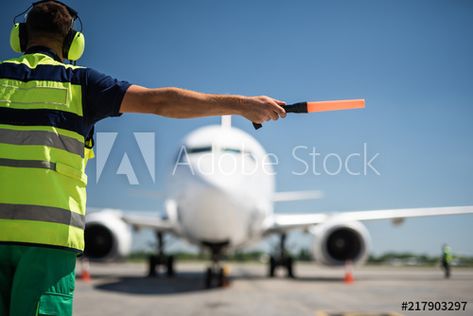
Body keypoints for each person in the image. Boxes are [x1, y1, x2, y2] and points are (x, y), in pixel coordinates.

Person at [0, 1, 286, 315]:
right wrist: (242, 105)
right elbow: (162, 102)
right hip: (47, 245)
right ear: (73, 43)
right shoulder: (81, 85)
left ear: (20, 36)